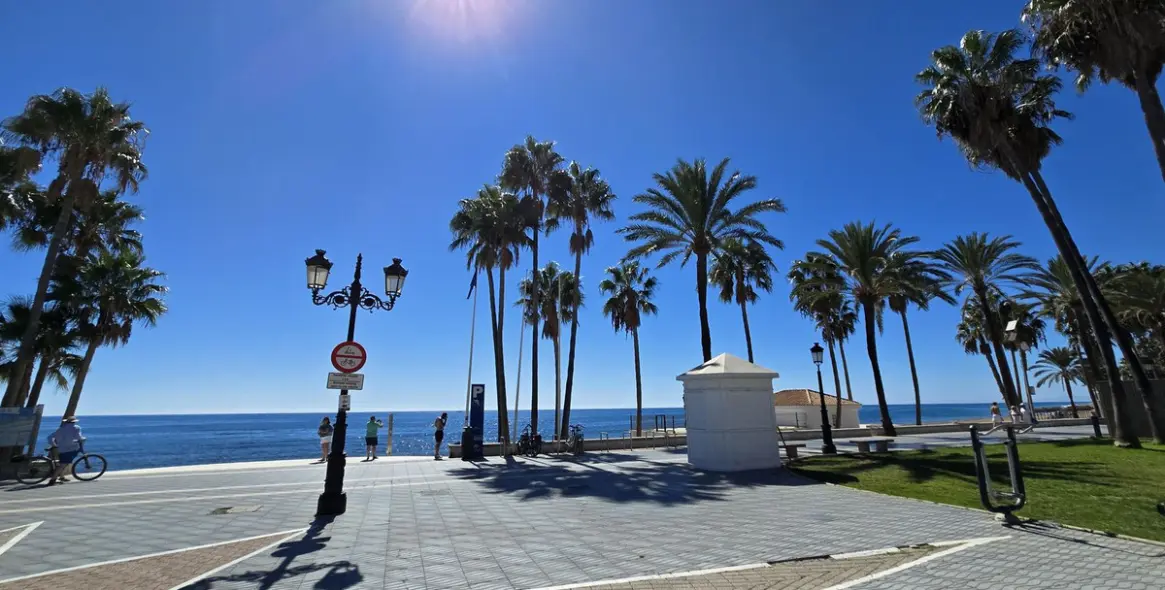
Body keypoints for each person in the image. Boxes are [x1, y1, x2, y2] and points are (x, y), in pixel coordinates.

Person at [47, 416, 84, 485]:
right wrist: (82, 439)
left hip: (61, 449)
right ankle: (52, 480)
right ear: (74, 422)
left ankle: (62, 476)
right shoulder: (76, 428)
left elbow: (49, 437)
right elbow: (78, 437)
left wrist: (54, 445)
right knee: (62, 464)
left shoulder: (60, 429)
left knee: (64, 463)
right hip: (71, 449)